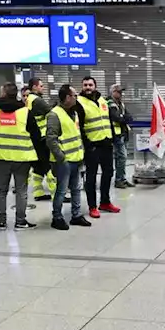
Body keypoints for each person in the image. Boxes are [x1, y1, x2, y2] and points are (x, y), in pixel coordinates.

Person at [0, 82, 42, 231]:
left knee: (1, 190)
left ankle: (2, 222)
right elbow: (36, 135)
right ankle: (20, 221)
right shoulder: (25, 112)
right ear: (17, 94)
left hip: (0, 157)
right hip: (22, 157)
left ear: (2, 93)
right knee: (21, 190)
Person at [46, 84, 90, 231]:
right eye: (74, 95)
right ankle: (57, 217)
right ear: (66, 97)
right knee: (61, 190)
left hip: (76, 157)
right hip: (63, 161)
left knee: (76, 188)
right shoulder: (54, 114)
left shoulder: (74, 113)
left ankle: (76, 215)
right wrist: (61, 157)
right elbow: (51, 139)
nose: (76, 97)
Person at [79, 76, 121, 218]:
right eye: (85, 85)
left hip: (106, 143)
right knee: (90, 177)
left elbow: (108, 120)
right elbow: (78, 126)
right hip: (92, 146)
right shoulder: (79, 102)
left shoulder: (103, 101)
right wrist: (87, 144)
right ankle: (92, 206)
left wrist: (112, 138)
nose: (88, 87)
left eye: (90, 85)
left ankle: (105, 202)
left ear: (95, 86)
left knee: (108, 173)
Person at [25, 78, 57, 202]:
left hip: (34, 137)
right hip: (41, 137)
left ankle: (38, 192)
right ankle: (56, 194)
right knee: (48, 166)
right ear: (34, 87)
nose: (42, 88)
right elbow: (51, 112)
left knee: (38, 167)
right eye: (41, 86)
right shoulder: (37, 100)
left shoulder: (29, 99)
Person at [109, 84, 134, 189]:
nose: (121, 94)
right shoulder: (110, 104)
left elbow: (129, 117)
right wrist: (123, 118)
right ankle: (119, 180)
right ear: (113, 92)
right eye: (118, 92)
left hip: (123, 134)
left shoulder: (121, 104)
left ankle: (122, 179)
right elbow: (116, 118)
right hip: (116, 135)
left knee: (121, 158)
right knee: (122, 157)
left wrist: (123, 117)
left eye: (121, 92)